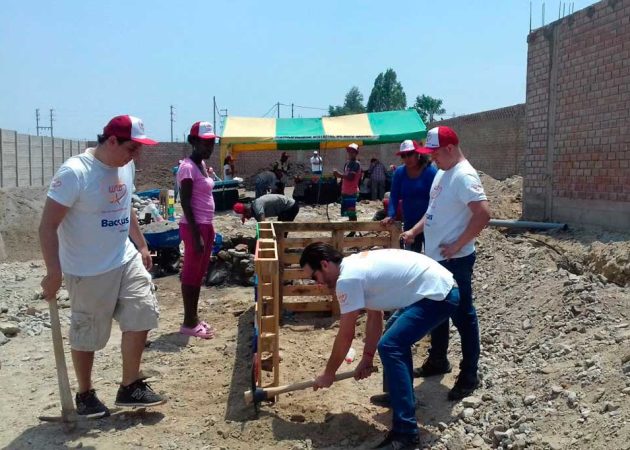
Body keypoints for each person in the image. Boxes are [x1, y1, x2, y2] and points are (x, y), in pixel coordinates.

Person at [39, 115, 166, 418]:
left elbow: (124, 207)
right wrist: (54, 272)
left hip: (124, 258)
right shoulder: (75, 173)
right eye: (132, 148)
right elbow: (47, 226)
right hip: (87, 268)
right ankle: (85, 395)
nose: (137, 156)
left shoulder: (126, 166)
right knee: (88, 334)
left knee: (143, 310)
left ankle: (130, 386)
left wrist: (142, 244)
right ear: (111, 141)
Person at [300, 243, 460, 450]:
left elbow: (345, 335)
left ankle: (406, 434)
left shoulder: (347, 279)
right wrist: (366, 358)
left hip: (438, 295)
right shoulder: (353, 268)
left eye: (314, 277)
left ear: (324, 264)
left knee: (391, 345)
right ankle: (399, 396)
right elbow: (374, 315)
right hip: (435, 288)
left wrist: (329, 373)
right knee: (393, 333)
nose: (317, 284)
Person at [402, 126, 490, 401]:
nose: (432, 158)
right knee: (436, 314)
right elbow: (433, 212)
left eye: (435, 153)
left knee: (463, 315)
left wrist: (458, 244)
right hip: (436, 259)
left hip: (455, 261)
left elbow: (484, 214)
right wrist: (415, 231)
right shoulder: (443, 172)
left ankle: (469, 374)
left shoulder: (464, 176)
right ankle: (438, 360)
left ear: (450, 149)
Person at [177, 121, 218, 339]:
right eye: (205, 143)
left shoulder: (201, 165)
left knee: (199, 274)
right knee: (191, 275)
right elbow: (184, 202)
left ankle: (193, 318)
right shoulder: (188, 168)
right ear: (193, 141)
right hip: (195, 227)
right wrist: (195, 235)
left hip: (205, 225)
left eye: (212, 142)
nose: (209, 147)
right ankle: (188, 322)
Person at [381, 140, 437, 253]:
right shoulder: (399, 173)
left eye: (410, 154)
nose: (407, 158)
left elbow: (438, 198)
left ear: (418, 153)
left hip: (430, 223)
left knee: (432, 257)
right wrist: (391, 215)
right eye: (403, 155)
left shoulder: (430, 172)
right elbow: (394, 195)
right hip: (410, 223)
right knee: (412, 256)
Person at [333, 143, 362, 222]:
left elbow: (350, 177)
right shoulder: (347, 163)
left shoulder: (356, 164)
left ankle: (353, 230)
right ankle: (352, 228)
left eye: (353, 152)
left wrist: (339, 175)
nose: (350, 153)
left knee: (351, 212)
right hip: (346, 190)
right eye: (349, 151)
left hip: (351, 191)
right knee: (348, 212)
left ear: (356, 153)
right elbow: (345, 176)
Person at [233, 193, 300, 223]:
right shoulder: (254, 209)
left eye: (246, 216)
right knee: (279, 230)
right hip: (284, 210)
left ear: (247, 211)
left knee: (281, 230)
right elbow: (259, 224)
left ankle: (282, 248)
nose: (247, 218)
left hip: (290, 207)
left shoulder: (257, 206)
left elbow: (263, 224)